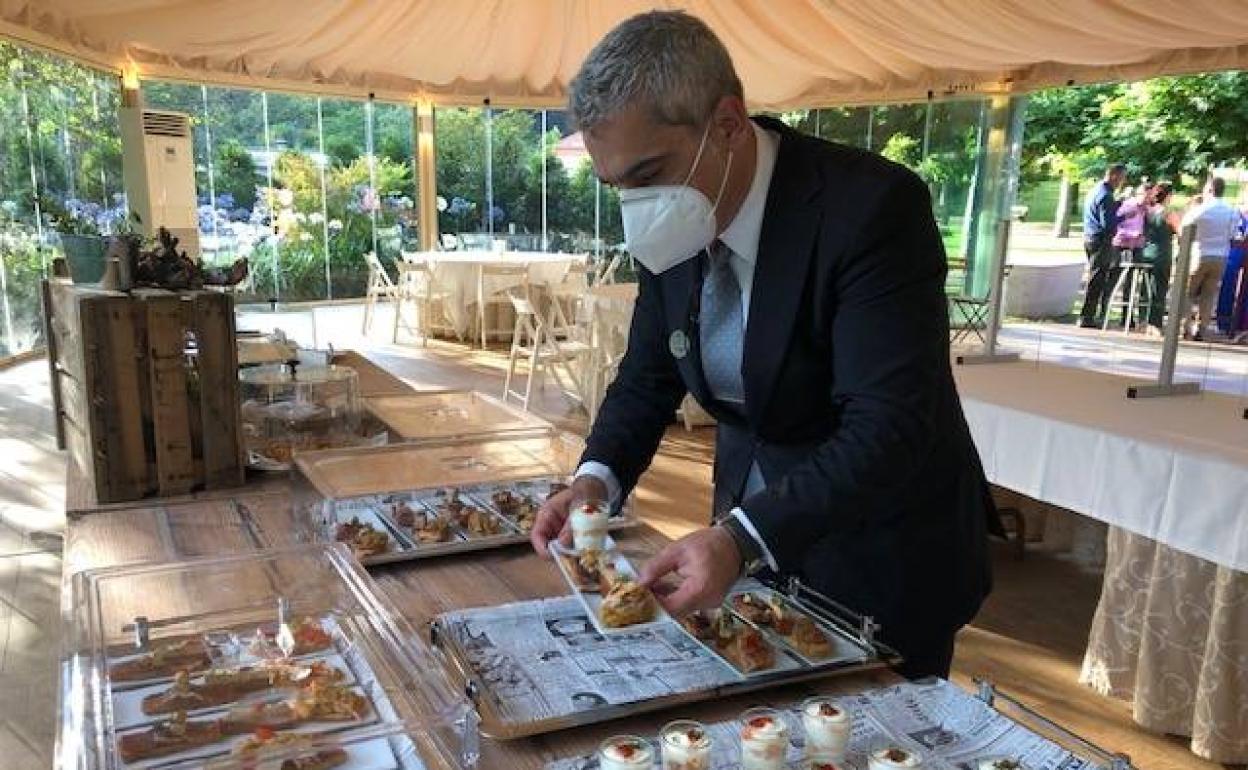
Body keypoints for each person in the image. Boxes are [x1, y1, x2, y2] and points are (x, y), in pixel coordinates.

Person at [531, 10, 999, 680]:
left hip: (884, 549)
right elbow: (646, 376)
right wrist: (595, 480)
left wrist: (741, 539)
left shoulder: (871, 209)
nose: (637, 205)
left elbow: (889, 424)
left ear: (726, 125)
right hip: (751, 537)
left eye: (647, 174)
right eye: (617, 188)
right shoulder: (676, 219)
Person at [1180, 176, 1241, 340]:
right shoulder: (1231, 211)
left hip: (1199, 252)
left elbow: (1184, 228)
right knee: (1209, 293)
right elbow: (1233, 235)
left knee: (1188, 292)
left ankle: (1185, 326)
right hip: (1221, 256)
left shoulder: (1200, 209)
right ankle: (1202, 327)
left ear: (1209, 190)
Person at [1079, 164, 1127, 328]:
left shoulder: (1095, 191)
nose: (1122, 182)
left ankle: (1088, 315)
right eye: (1121, 178)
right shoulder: (1106, 195)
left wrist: (1117, 205)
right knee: (1097, 279)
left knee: (1096, 276)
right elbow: (1108, 224)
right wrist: (1124, 216)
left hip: (1090, 237)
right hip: (1101, 240)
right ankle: (1087, 316)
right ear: (1114, 176)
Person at [1141, 182, 1178, 335]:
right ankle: (1155, 323)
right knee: (1159, 289)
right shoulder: (1169, 214)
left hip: (1146, 252)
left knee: (1145, 288)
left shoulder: (1147, 212)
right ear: (1168, 196)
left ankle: (1143, 319)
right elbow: (1182, 231)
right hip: (1162, 254)